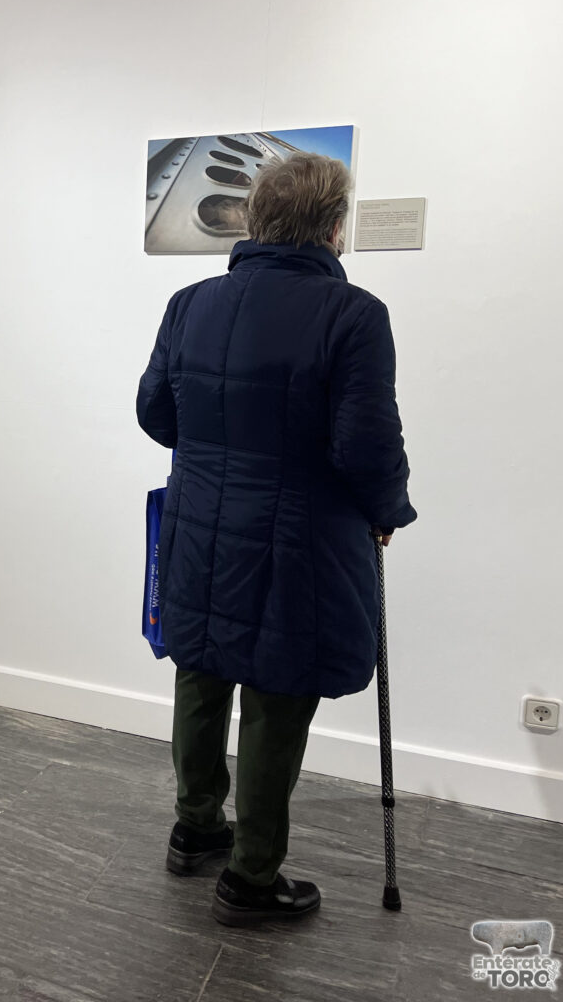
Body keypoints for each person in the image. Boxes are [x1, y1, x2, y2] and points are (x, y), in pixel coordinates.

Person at [136, 152, 416, 927]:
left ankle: (195, 831)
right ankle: (252, 877)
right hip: (298, 540)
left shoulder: (191, 303)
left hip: (199, 528)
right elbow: (366, 444)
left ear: (256, 220)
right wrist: (387, 507)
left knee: (199, 673)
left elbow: (157, 414)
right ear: (332, 226)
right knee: (275, 694)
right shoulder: (354, 316)